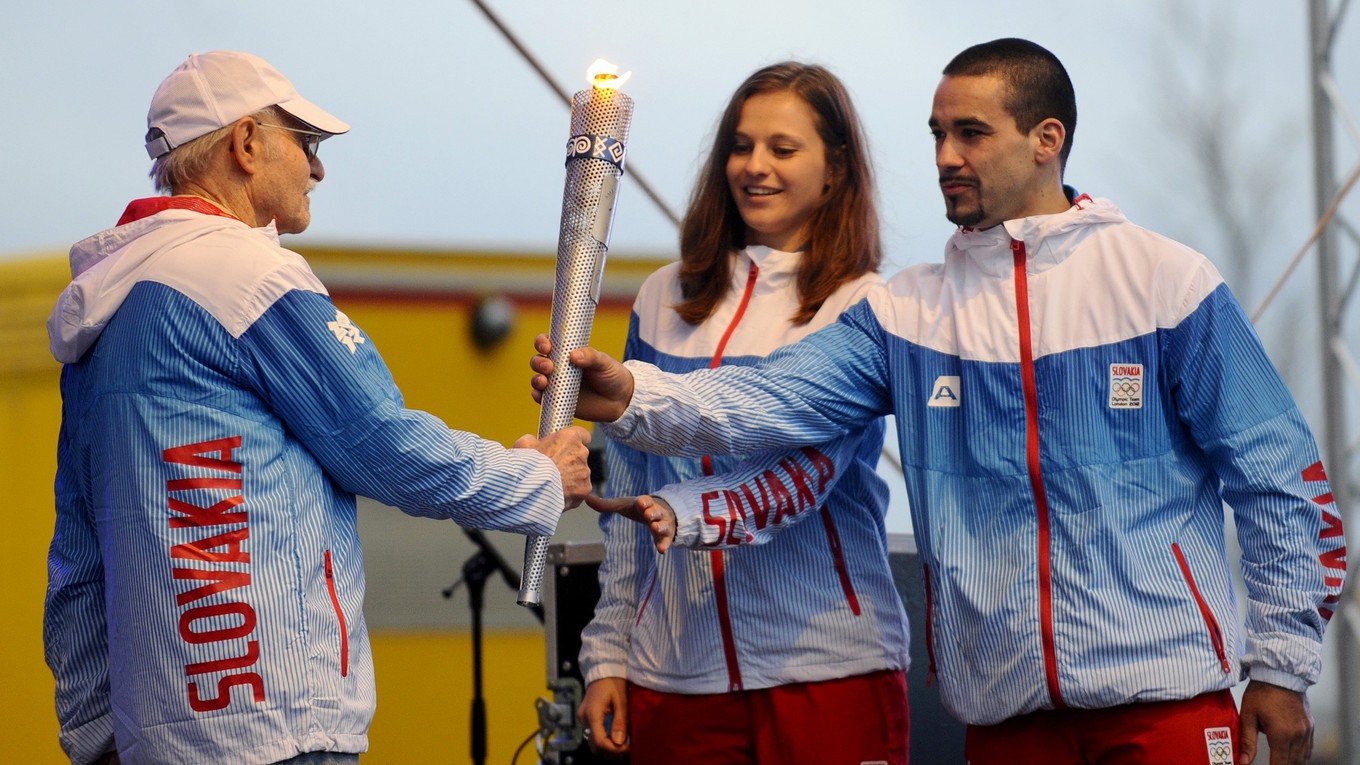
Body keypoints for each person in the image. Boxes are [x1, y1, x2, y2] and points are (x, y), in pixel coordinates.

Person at [536, 38, 1348, 765]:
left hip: (1165, 703)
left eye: (971, 133)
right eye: (937, 134)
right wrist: (633, 391)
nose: (946, 156)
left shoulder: (1166, 282)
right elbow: (767, 398)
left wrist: (1280, 664)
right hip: (1002, 716)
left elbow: (1279, 478)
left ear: (1046, 141)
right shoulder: (909, 312)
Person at [44, 50, 593, 765]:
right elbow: (385, 444)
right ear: (246, 144)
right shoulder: (246, 278)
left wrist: (96, 739)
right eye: (306, 143)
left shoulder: (99, 317)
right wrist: (538, 479)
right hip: (279, 727)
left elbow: (78, 560)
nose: (319, 168)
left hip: (157, 738)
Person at [574, 62, 910, 765]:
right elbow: (625, 497)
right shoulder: (664, 298)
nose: (754, 167)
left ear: (835, 168)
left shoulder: (863, 305)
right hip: (676, 673)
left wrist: (675, 510)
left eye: (783, 149)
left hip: (826, 668)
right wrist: (608, 651)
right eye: (741, 145)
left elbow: (804, 480)